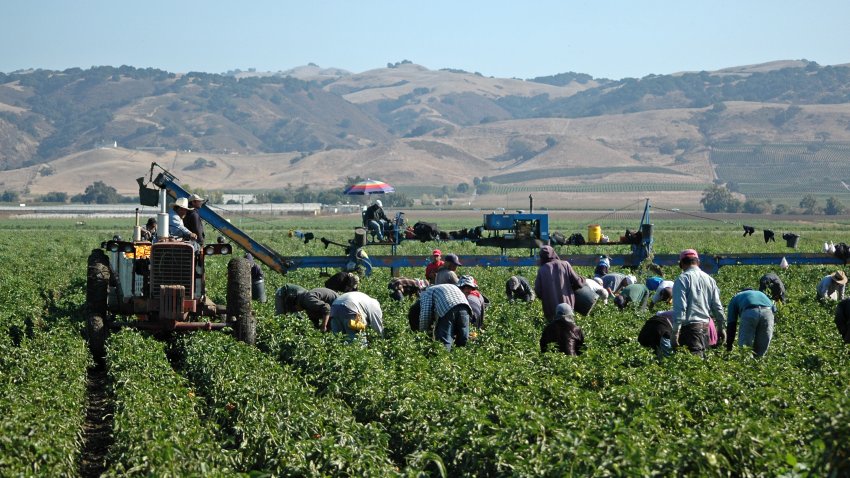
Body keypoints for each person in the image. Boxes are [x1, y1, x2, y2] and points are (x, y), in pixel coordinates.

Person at [671, 249, 727, 357]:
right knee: (701, 362)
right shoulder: (710, 279)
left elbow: (680, 308)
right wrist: (721, 328)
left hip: (690, 329)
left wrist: (675, 332)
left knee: (692, 366)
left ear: (681, 264)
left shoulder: (682, 279)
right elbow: (717, 306)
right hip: (705, 328)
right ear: (698, 262)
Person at [534, 245, 585, 320]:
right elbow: (578, 283)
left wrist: (547, 298)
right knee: (569, 328)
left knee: (554, 330)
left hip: (550, 309)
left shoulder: (542, 270)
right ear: (553, 253)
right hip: (567, 306)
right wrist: (583, 279)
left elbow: (538, 291)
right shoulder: (565, 264)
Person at [417, 283, 472, 351]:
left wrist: (423, 333)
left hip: (447, 308)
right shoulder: (446, 286)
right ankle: (461, 356)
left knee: (445, 340)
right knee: (463, 337)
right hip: (464, 307)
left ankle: (444, 359)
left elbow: (425, 315)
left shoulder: (427, 293)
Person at [726, 288, 776, 357]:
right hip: (768, 312)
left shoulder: (736, 296)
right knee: (762, 345)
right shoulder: (761, 294)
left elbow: (731, 324)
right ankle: (758, 363)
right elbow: (774, 311)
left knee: (745, 346)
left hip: (749, 311)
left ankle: (746, 363)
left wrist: (729, 347)